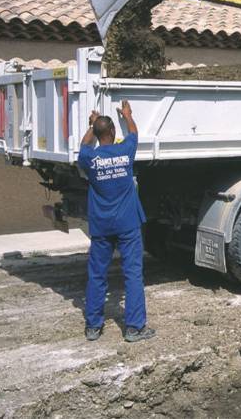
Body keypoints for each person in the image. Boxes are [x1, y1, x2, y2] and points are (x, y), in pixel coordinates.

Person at [78, 100, 155, 342]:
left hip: (101, 226)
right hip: (127, 224)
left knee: (97, 275)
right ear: (113, 132)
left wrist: (92, 125)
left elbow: (84, 145)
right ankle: (134, 328)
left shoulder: (89, 158)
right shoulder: (125, 152)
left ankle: (93, 326)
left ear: (97, 133)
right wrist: (128, 115)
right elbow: (133, 133)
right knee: (133, 274)